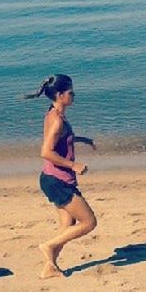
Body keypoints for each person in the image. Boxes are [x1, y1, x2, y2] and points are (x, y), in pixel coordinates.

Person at [23, 74, 97, 279]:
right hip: (58, 181)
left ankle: (49, 267)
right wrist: (74, 165)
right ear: (60, 95)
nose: (74, 96)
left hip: (51, 179)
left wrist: (81, 139)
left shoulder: (53, 114)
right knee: (89, 222)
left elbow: (59, 141)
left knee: (67, 225)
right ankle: (48, 246)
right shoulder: (57, 120)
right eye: (71, 93)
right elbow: (46, 152)